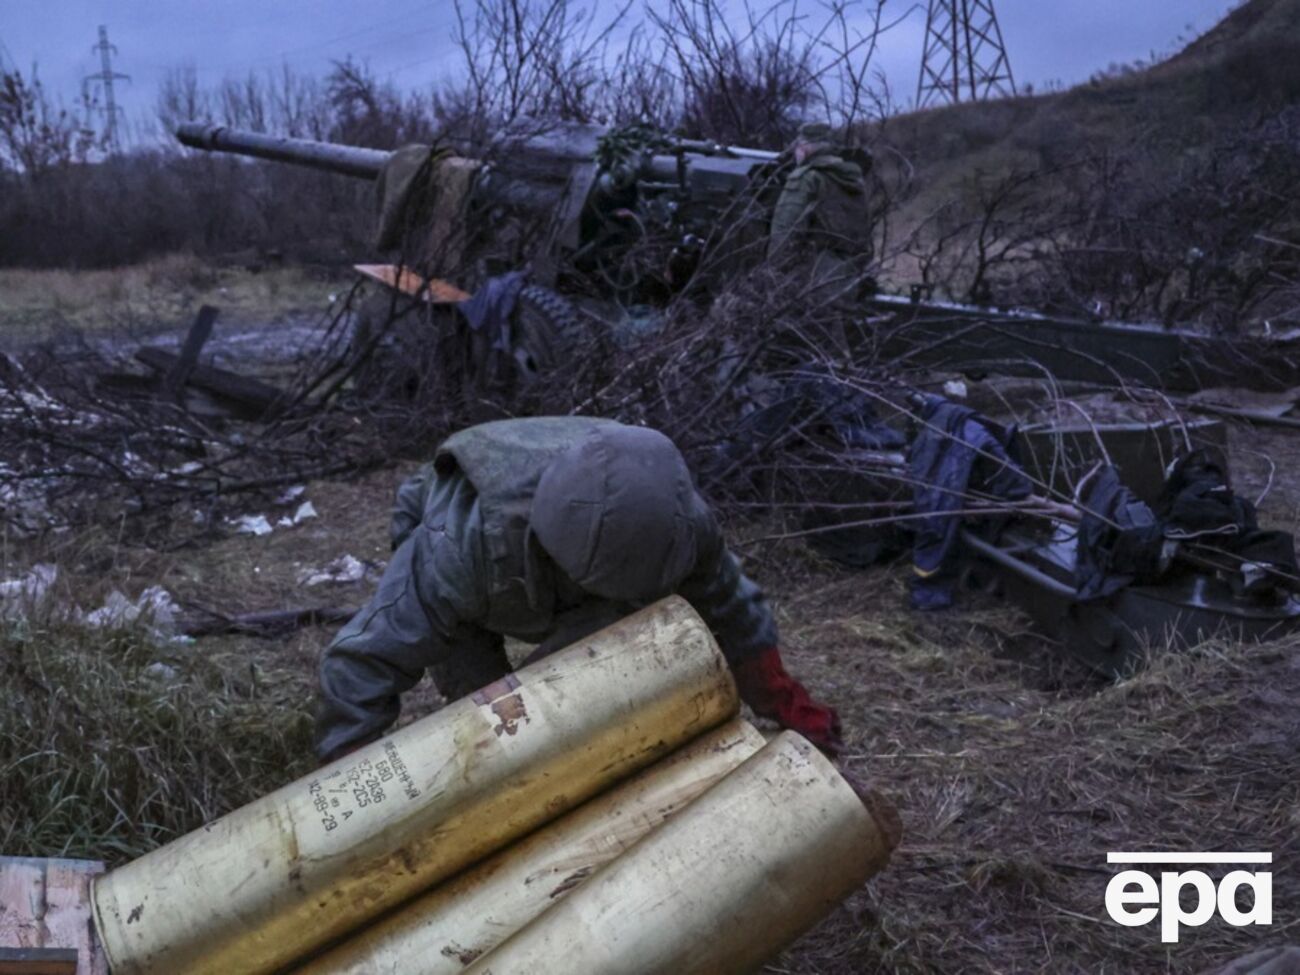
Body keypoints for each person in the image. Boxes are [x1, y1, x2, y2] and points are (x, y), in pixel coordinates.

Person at [315, 416, 843, 761]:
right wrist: (352, 798)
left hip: (572, 574)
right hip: (474, 547)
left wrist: (786, 701)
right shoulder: (457, 550)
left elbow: (731, 611)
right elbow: (360, 663)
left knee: (566, 710)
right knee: (495, 720)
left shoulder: (674, 520)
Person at [767, 121, 874, 302]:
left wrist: (771, 279)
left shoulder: (806, 178)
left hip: (811, 282)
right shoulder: (851, 178)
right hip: (846, 277)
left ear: (805, 148)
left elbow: (784, 233)